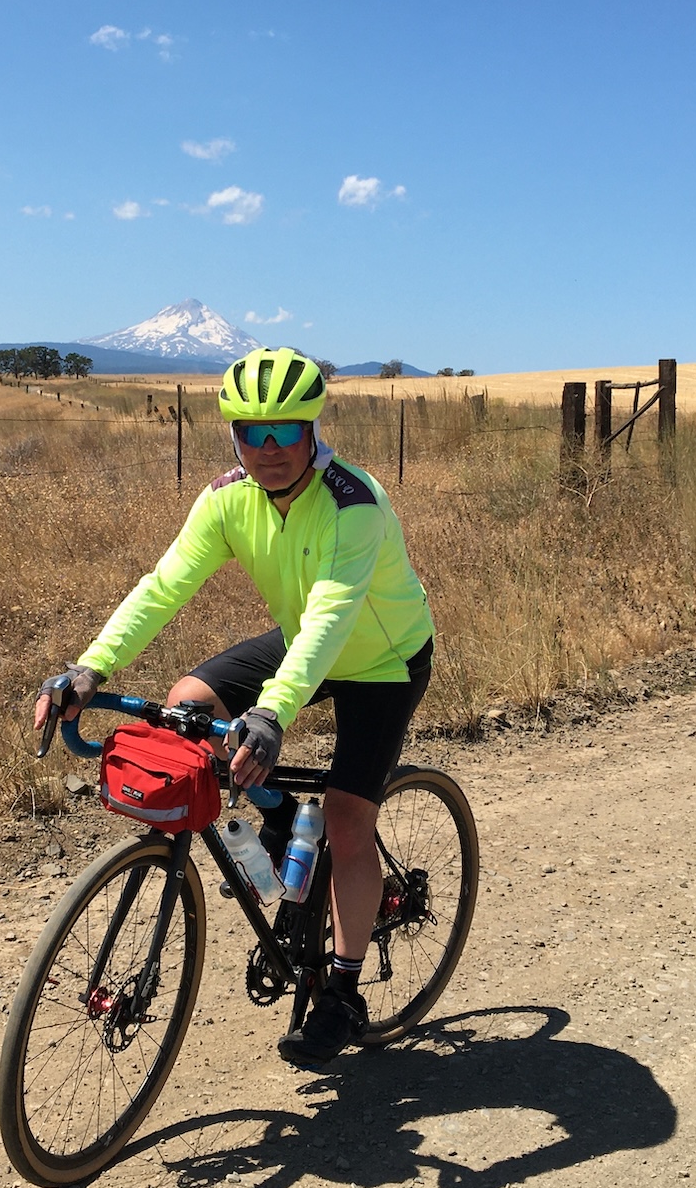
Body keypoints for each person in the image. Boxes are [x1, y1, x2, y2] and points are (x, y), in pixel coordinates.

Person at [32, 346, 435, 1067]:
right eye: (252, 431)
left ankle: (342, 990)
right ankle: (282, 826)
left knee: (346, 816)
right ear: (233, 436)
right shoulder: (227, 498)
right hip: (305, 640)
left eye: (285, 430)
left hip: (380, 659)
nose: (269, 448)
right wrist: (91, 666)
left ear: (313, 429)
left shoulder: (355, 504)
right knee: (187, 705)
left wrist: (273, 714)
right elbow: (162, 587)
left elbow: (331, 621)